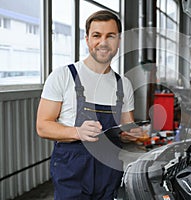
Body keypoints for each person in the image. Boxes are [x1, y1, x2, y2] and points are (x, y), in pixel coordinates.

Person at [36, 10, 147, 199]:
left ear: (118, 41)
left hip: (109, 169)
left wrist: (132, 135)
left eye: (110, 36)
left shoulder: (123, 85)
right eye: (97, 35)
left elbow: (126, 128)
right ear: (87, 39)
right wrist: (77, 132)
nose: (103, 42)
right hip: (72, 169)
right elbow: (43, 126)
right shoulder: (63, 76)